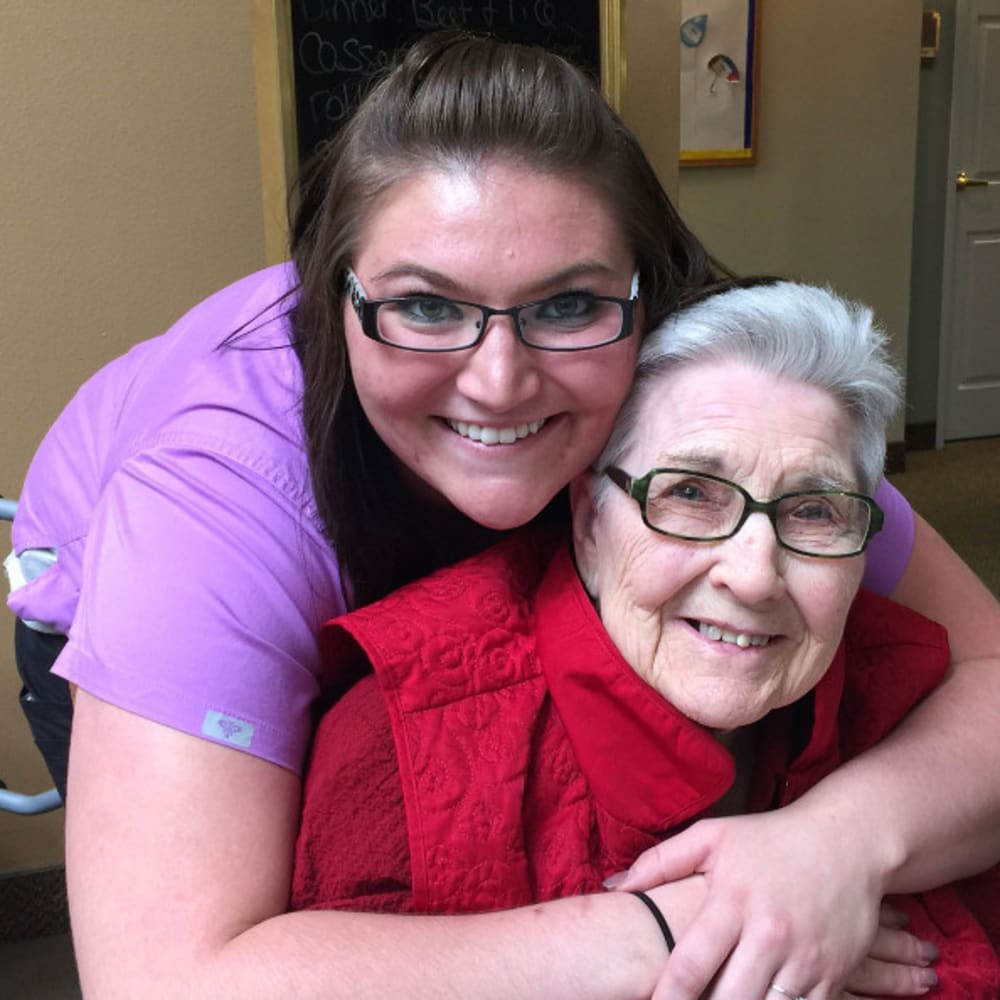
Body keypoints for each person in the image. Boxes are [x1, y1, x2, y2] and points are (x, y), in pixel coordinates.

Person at [3, 30, 999, 1000]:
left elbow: (989, 669)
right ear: (336, 293)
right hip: (126, 604)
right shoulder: (218, 495)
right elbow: (164, 976)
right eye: (426, 306)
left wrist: (834, 845)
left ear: (648, 293)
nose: (499, 381)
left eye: (566, 306)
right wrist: (689, 924)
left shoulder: (696, 369)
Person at [291, 279, 1000, 999]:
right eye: (689, 494)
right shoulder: (400, 743)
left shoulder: (912, 696)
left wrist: (847, 842)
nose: (755, 577)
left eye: (815, 510)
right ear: (590, 524)